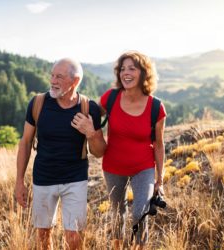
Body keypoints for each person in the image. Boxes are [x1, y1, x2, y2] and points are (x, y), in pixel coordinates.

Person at [75, 51, 166, 249]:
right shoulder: (111, 98)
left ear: (144, 73)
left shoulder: (156, 107)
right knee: (118, 212)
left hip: (144, 167)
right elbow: (90, 113)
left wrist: (160, 177)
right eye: (123, 69)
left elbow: (159, 144)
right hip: (113, 166)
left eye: (132, 68)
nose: (126, 72)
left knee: (140, 212)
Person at [15, 58, 106, 250]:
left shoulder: (89, 108)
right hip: (43, 178)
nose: (53, 81)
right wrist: (19, 180)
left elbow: (99, 152)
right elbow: (25, 142)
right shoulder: (38, 103)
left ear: (75, 81)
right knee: (43, 236)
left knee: (73, 237)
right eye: (52, 75)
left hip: (75, 179)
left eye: (59, 77)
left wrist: (90, 132)